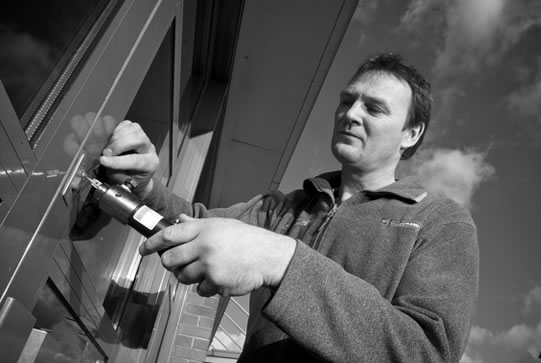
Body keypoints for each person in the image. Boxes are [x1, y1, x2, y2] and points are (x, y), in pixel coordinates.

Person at [99, 53, 479, 362]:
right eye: (347, 100)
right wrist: (146, 185)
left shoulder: (439, 222)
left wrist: (282, 262)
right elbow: (189, 225)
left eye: (374, 109)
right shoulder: (283, 208)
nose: (350, 114)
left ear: (411, 133)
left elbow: (427, 352)